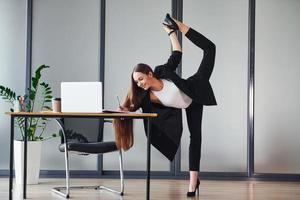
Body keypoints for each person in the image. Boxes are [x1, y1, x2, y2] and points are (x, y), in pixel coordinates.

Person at [113, 14, 216, 197]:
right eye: (136, 82)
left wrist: (171, 32)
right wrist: (123, 110)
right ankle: (194, 180)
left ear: (150, 73)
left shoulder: (162, 71)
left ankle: (193, 182)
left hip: (195, 90)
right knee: (194, 138)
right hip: (186, 106)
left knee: (210, 48)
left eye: (141, 79)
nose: (139, 84)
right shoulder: (145, 97)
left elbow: (177, 53)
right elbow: (132, 109)